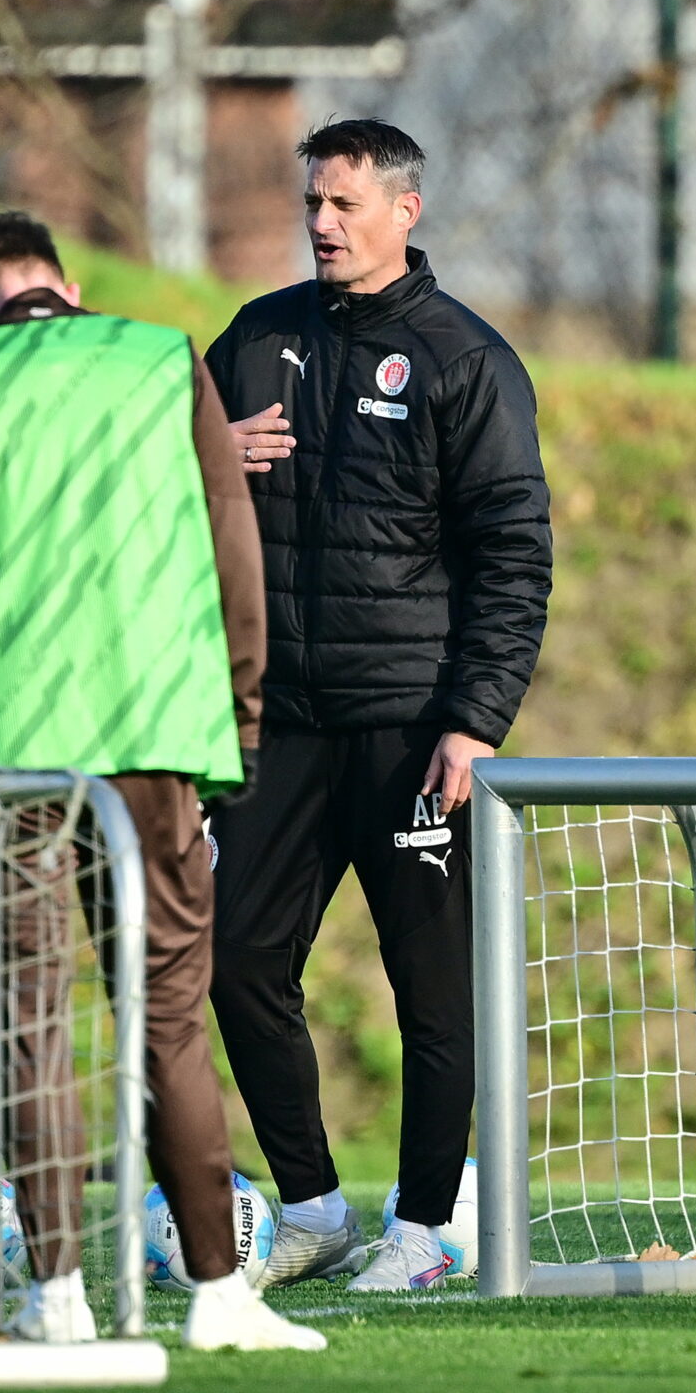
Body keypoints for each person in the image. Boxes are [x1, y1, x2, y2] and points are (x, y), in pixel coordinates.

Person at [0, 210, 324, 1353]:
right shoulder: (164, 359)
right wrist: (241, 720)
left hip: (6, 746)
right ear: (61, 283)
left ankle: (54, 1290)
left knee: (26, 1017)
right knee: (165, 1016)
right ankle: (218, 1292)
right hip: (156, 733)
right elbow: (230, 545)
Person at [206, 121, 553, 1293]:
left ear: (404, 211)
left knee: (431, 990)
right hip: (278, 724)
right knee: (233, 956)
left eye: (345, 203)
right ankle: (310, 1206)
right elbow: (159, 483)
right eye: (312, 199)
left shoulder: (464, 358)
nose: (321, 222)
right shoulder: (257, 336)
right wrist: (203, 452)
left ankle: (424, 1226)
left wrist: (474, 716)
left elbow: (513, 551)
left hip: (413, 728)